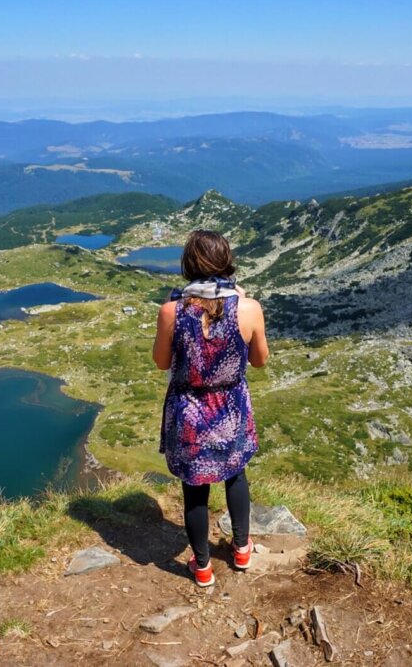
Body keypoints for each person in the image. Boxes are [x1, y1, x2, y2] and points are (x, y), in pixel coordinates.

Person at [152, 230, 269, 587]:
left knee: (195, 487)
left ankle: (202, 567)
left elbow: (160, 362)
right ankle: (241, 550)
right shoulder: (247, 308)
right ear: (226, 261)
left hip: (189, 408)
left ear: (189, 264)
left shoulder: (171, 310)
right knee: (235, 473)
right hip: (230, 405)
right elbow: (260, 361)